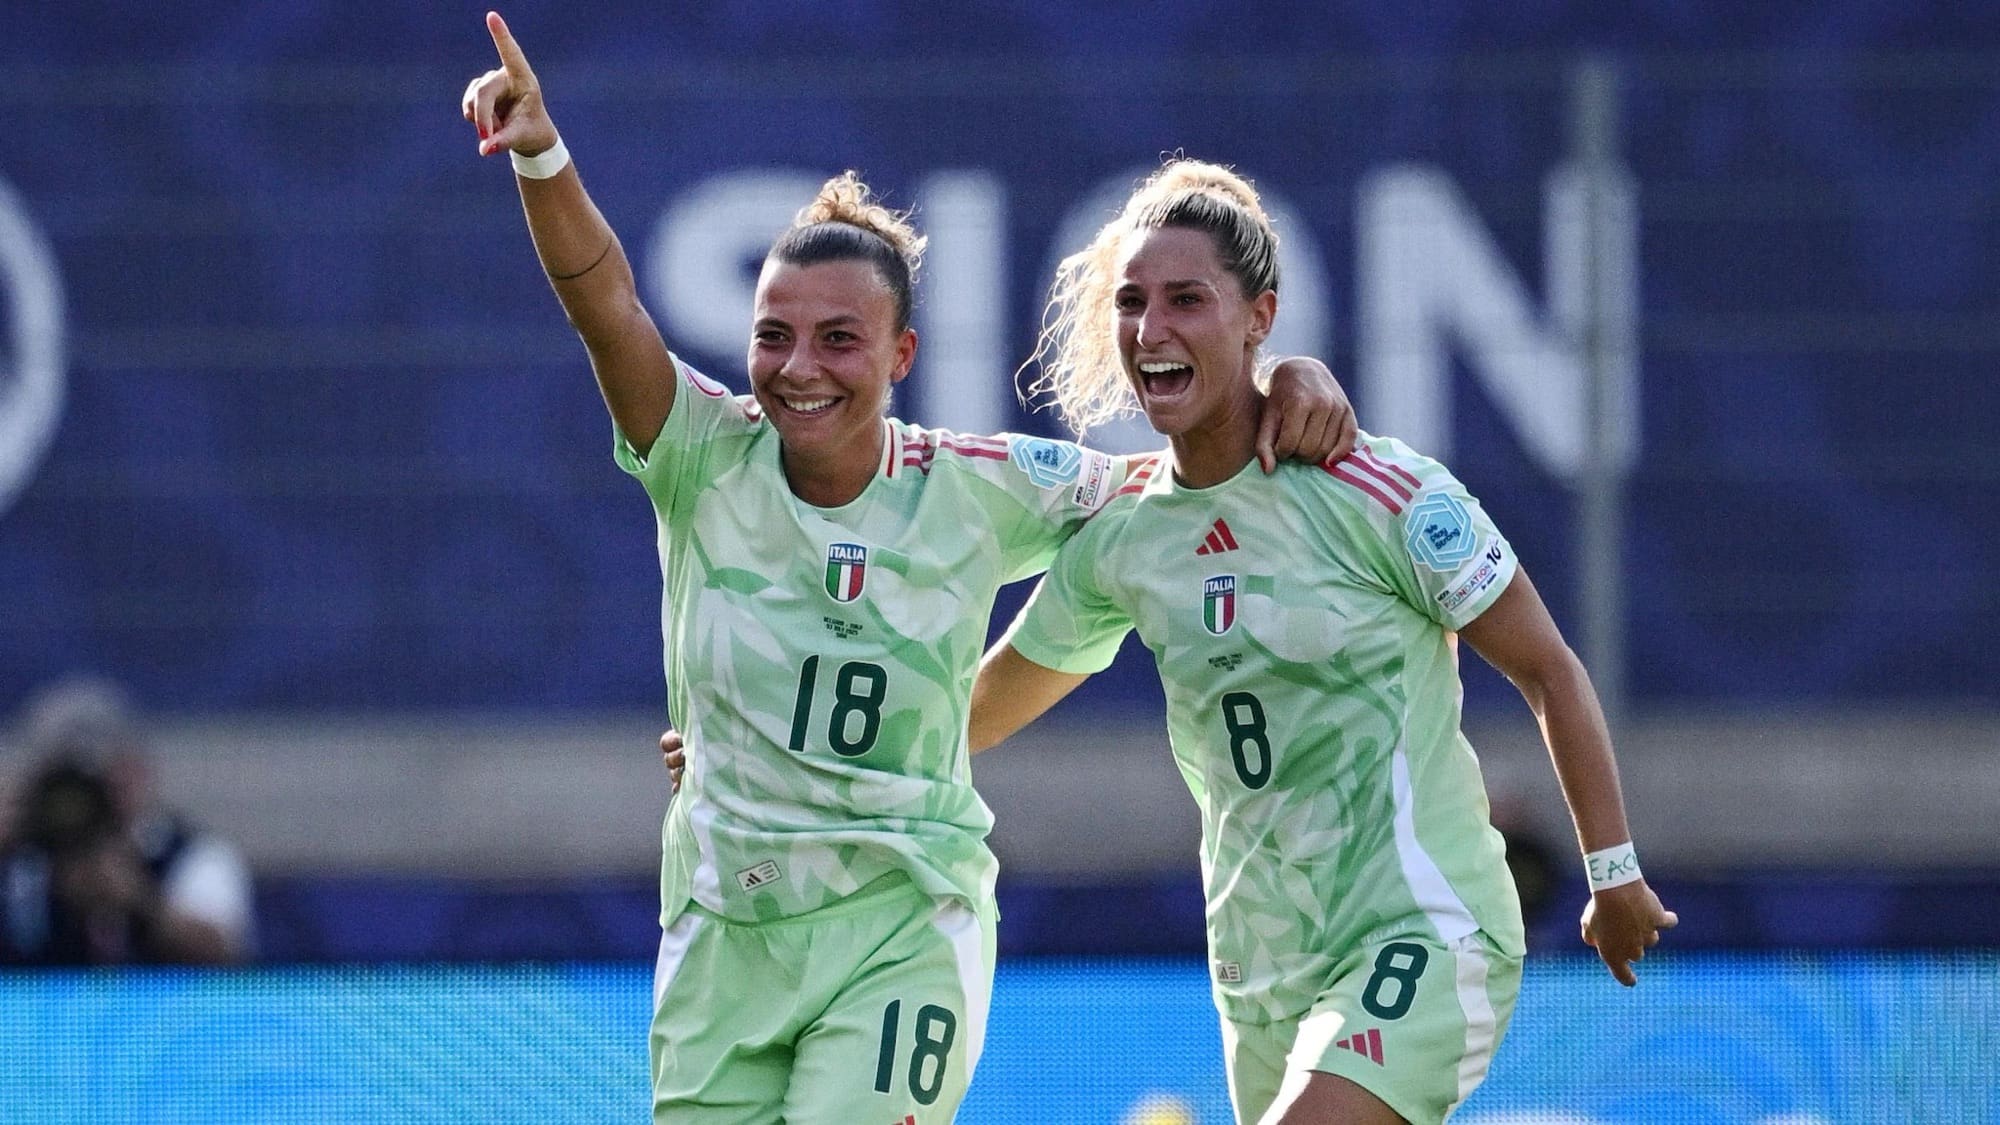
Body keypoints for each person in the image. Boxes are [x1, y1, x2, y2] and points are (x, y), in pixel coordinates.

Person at [459, 14, 1354, 1121]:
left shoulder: (979, 486)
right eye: (774, 335)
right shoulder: (701, 455)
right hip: (720, 934)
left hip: (902, 925)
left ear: (901, 355)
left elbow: (1183, 481)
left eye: (839, 338)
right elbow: (607, 305)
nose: (798, 367)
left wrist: (1282, 382)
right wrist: (542, 156)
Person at [960, 160, 1678, 1125]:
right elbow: (981, 709)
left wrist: (1613, 870)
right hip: (1257, 968)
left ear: (1259, 316)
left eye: (1186, 300)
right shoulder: (1125, 536)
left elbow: (1548, 669)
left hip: (1422, 929)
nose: (1151, 329)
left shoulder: (1379, 491)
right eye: (1132, 302)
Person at [1, 678, 253, 965]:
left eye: (101, 775)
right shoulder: (19, 857)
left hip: (156, 994)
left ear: (137, 769)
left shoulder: (191, 855)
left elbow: (225, 957)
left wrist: (140, 903)